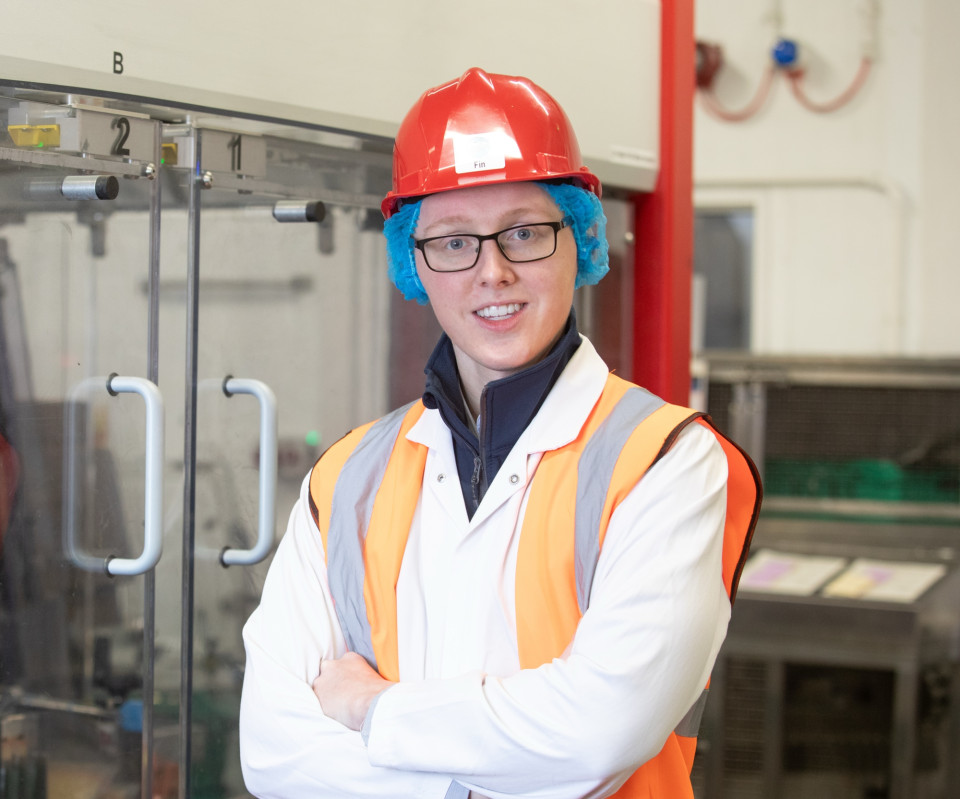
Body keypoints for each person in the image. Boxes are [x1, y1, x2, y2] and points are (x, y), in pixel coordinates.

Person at [239, 67, 761, 799]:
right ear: (413, 261)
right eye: (453, 242)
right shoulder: (347, 476)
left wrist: (372, 709)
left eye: (523, 232)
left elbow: (600, 729)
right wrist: (490, 773)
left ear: (579, 239)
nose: (493, 272)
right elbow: (273, 751)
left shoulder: (666, 461)